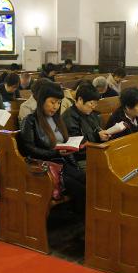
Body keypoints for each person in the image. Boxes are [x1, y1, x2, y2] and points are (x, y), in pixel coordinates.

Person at [20, 83, 86, 213]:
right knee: (80, 188)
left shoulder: (57, 119)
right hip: (45, 167)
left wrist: (72, 151)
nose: (56, 107)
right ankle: (79, 222)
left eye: (58, 103)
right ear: (42, 100)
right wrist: (53, 152)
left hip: (62, 162)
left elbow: (64, 142)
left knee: (87, 180)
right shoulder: (30, 120)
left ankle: (82, 220)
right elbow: (29, 149)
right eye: (52, 102)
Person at [63, 84, 110, 167]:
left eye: (96, 104)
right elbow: (77, 143)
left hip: (95, 152)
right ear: (80, 99)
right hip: (81, 158)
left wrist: (104, 135)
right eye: (92, 103)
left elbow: (97, 130)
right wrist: (97, 136)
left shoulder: (90, 113)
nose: (94, 107)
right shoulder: (69, 117)